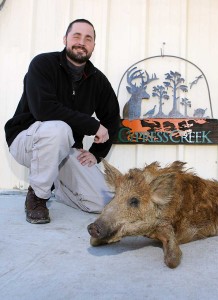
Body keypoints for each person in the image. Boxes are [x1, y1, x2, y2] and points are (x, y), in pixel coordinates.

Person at [4, 19, 120, 224]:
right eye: (76, 36)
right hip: (26, 141)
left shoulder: (98, 81)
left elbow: (112, 118)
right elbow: (44, 110)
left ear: (93, 45)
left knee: (103, 201)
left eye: (88, 38)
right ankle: (38, 196)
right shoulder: (43, 64)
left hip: (65, 151)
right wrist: (93, 126)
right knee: (59, 129)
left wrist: (96, 153)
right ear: (65, 39)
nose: (81, 42)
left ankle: (59, 187)